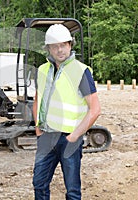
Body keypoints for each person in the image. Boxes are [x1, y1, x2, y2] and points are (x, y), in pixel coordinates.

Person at [32, 24, 101, 200]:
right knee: (39, 184)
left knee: (72, 190)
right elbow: (37, 101)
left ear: (70, 45)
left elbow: (95, 109)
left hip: (69, 139)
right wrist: (38, 129)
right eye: (55, 46)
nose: (60, 49)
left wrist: (74, 136)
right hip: (46, 137)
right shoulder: (42, 70)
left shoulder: (80, 71)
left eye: (63, 44)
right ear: (48, 48)